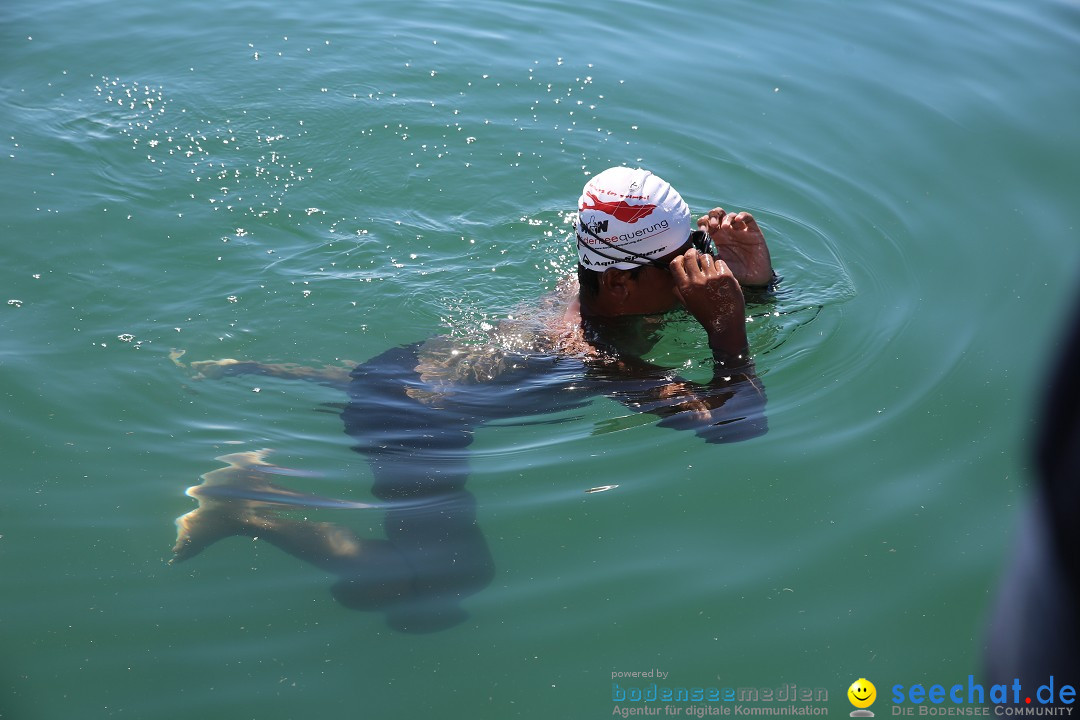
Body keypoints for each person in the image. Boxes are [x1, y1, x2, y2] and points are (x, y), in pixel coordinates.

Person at [171, 167, 776, 632]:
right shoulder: (594, 357)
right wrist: (727, 330)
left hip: (412, 375)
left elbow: (469, 367)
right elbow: (735, 426)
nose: (699, 271)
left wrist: (754, 283)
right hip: (411, 422)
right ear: (620, 279)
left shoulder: (591, 287)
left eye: (701, 248)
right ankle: (246, 509)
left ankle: (262, 460)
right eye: (682, 262)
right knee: (438, 590)